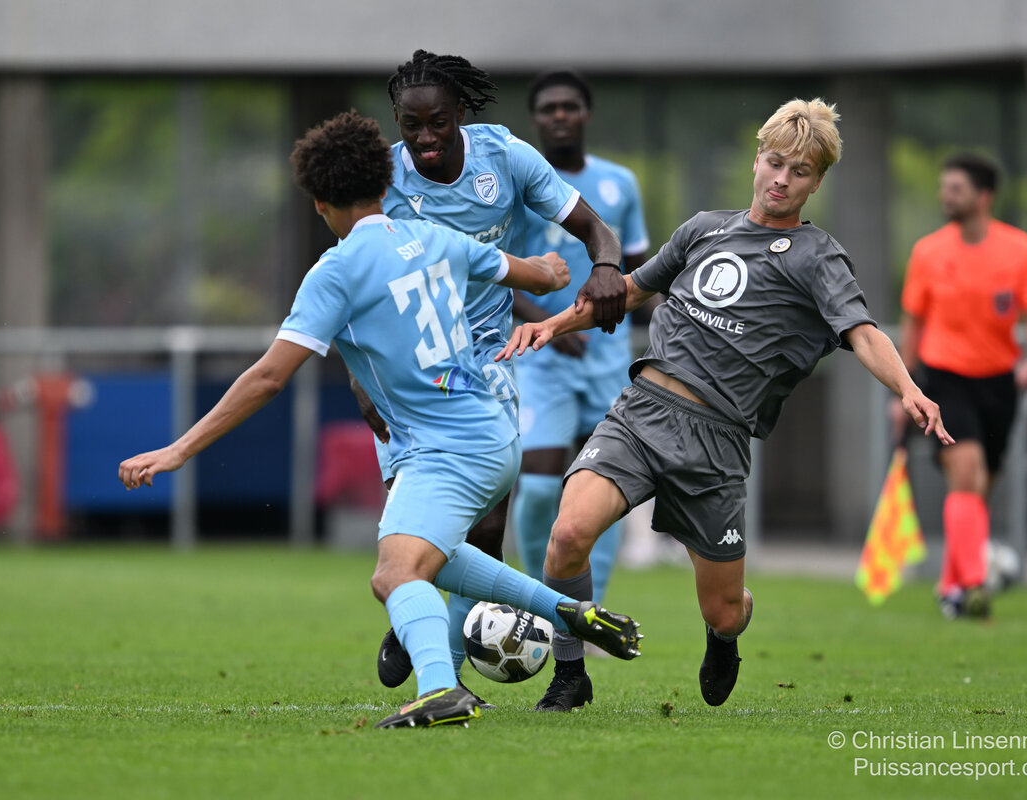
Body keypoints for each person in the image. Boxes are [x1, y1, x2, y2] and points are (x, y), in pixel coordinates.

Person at [117, 110, 642, 729]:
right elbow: (533, 274)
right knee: (437, 557)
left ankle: (441, 690)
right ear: (385, 179)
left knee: (394, 575)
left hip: (445, 447)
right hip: (493, 430)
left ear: (319, 203)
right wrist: (552, 269)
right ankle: (568, 612)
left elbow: (267, 378)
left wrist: (179, 449)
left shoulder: (336, 271)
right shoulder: (434, 237)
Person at [498, 98, 953, 711]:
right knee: (568, 532)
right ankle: (570, 674)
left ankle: (725, 635)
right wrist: (549, 325)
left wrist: (910, 389)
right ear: (757, 159)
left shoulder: (818, 257)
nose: (781, 180)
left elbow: (863, 333)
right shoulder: (704, 228)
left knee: (723, 608)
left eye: (799, 172)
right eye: (775, 163)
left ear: (817, 183)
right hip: (641, 412)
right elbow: (628, 290)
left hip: (716, 442)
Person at [367, 50, 629, 696]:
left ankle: (444, 667)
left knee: (485, 526)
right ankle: (414, 599)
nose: (425, 138)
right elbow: (357, 279)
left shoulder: (505, 158)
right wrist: (361, 377)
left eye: (437, 122)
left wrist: (604, 267)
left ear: (460, 112)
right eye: (410, 125)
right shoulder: (385, 179)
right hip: (405, 367)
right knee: (414, 529)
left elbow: (595, 228)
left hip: (485, 359)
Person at [510, 69, 650, 619]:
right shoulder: (517, 186)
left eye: (569, 106)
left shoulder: (620, 183)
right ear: (536, 119)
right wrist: (550, 322)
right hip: (540, 358)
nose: (560, 115)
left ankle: (592, 612)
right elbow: (494, 274)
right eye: (549, 108)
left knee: (603, 493)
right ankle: (536, 604)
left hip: (607, 361)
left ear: (586, 114)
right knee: (539, 488)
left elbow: (639, 272)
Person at [894, 151, 1027, 621]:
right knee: (966, 473)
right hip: (945, 379)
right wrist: (904, 389)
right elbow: (913, 323)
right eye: (944, 188)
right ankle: (974, 583)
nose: (946, 196)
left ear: (983, 197)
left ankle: (951, 585)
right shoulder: (928, 251)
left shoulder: (1019, 249)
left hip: (999, 382)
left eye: (956, 189)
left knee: (981, 487)